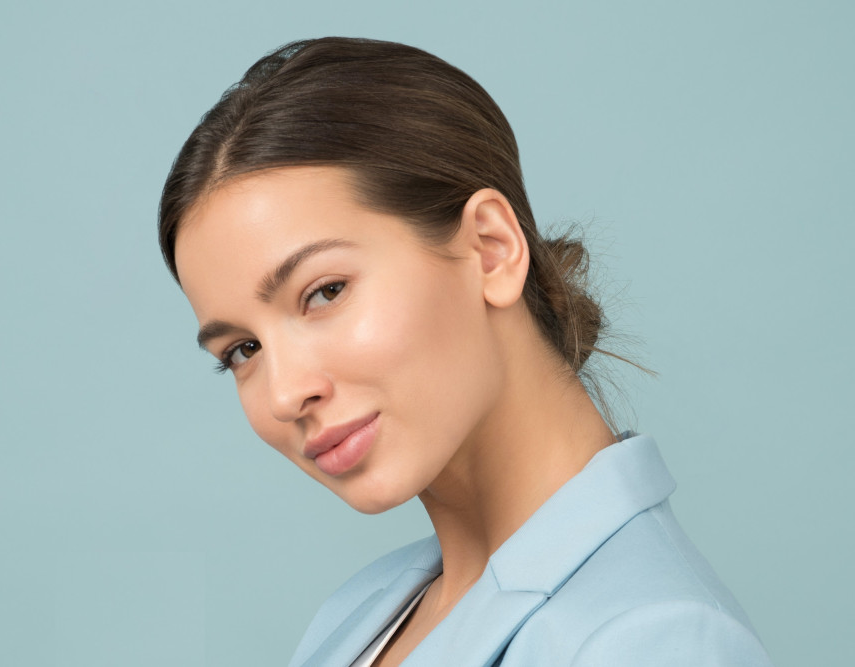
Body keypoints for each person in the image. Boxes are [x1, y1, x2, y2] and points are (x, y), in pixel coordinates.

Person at [158, 37, 773, 666]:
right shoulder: (355, 617)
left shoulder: (651, 642)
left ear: (491, 248)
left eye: (325, 292)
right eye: (243, 349)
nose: (286, 393)